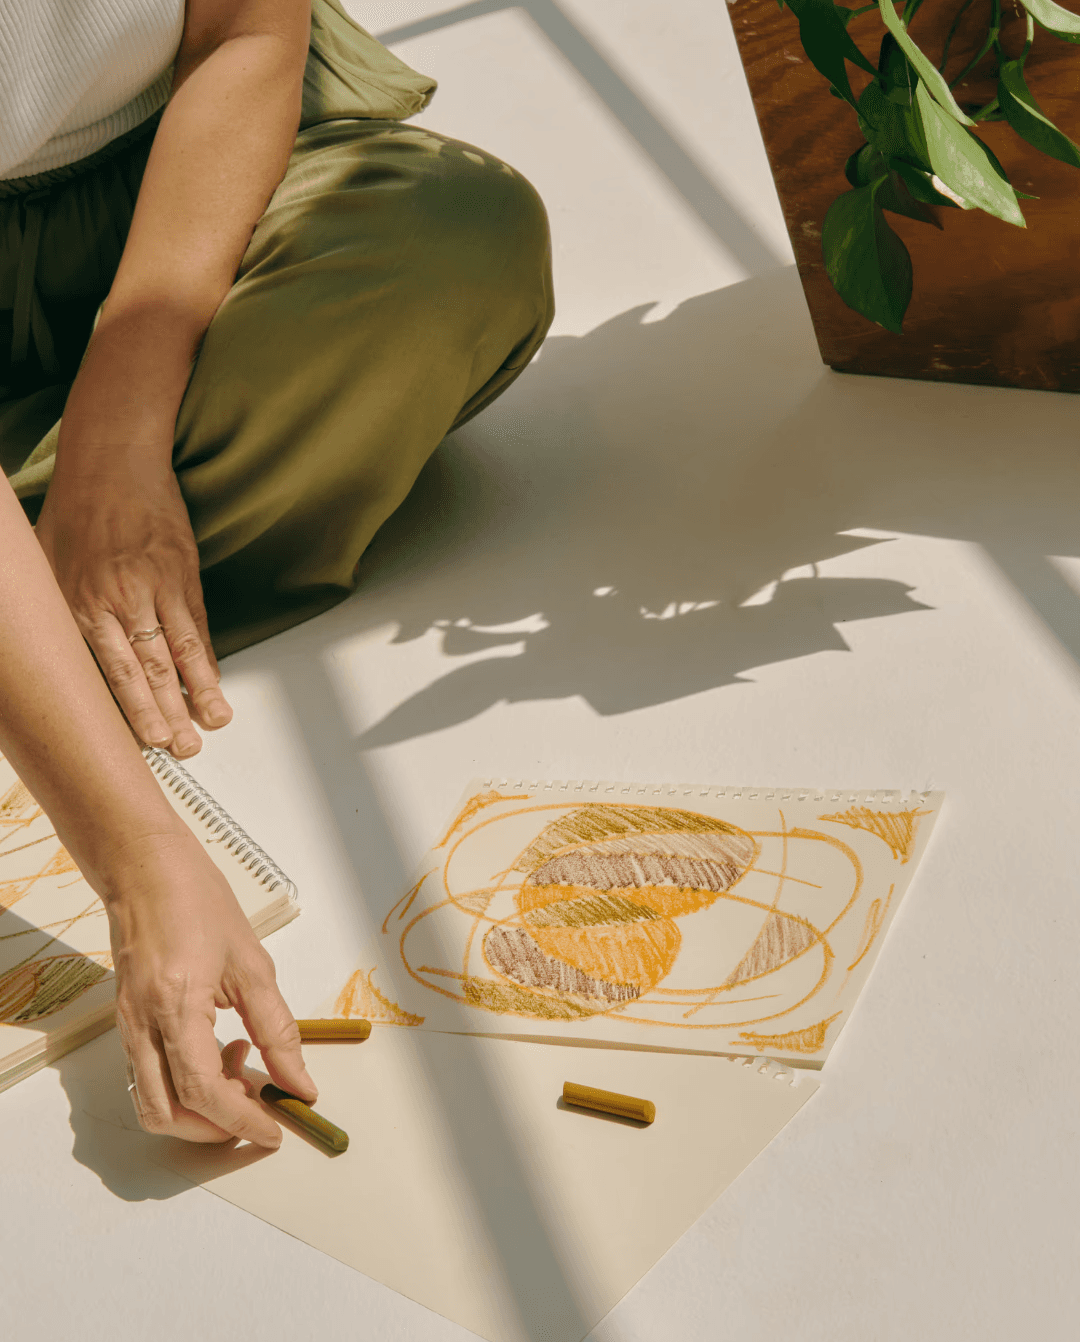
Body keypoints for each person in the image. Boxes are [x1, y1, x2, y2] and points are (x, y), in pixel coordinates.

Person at [0, 0, 555, 1143]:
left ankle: (40, 596)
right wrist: (141, 861)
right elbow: (139, 863)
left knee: (455, 241)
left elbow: (246, 34)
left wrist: (119, 439)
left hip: (174, 184)